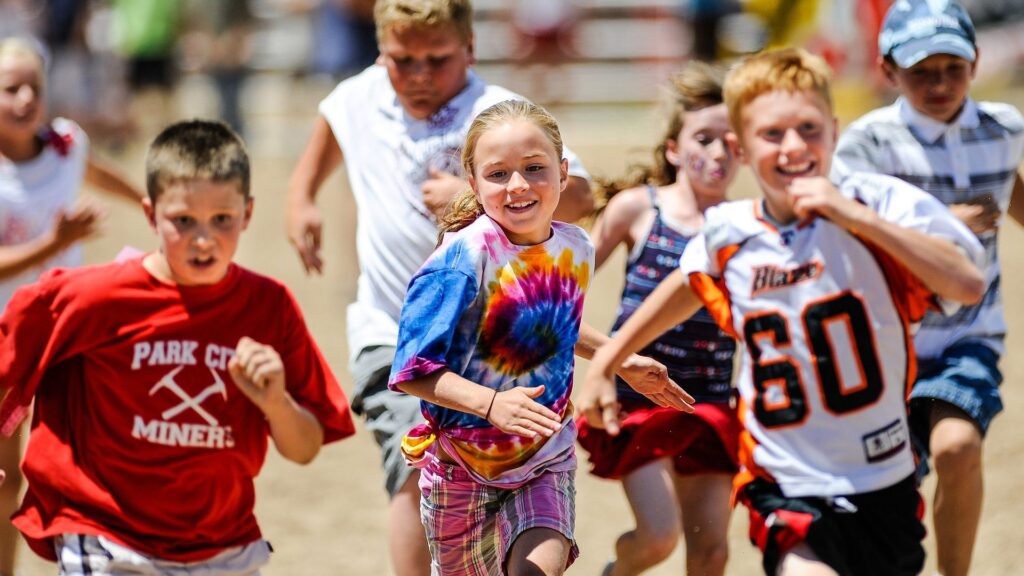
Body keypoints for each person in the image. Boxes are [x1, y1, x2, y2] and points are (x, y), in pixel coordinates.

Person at [581, 47, 987, 576]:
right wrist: (606, 360)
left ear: (835, 130)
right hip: (785, 480)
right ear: (742, 148)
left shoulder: (882, 202)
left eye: (809, 128)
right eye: (772, 134)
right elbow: (689, 282)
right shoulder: (731, 229)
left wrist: (853, 216)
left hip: (882, 476)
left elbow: (968, 282)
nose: (794, 146)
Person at [284, 1, 594, 574]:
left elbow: (580, 194)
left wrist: (473, 191)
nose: (421, 74)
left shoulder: (498, 113)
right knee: (412, 465)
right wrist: (302, 194)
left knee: (508, 486)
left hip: (492, 335)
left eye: (438, 59)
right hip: (389, 326)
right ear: (382, 54)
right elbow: (330, 125)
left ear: (469, 48)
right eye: (404, 61)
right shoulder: (360, 96)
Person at [0, 119, 356, 574]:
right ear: (150, 215)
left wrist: (276, 402)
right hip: (106, 535)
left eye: (221, 220)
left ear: (247, 213)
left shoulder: (269, 306)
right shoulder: (89, 298)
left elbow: (305, 449)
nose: (203, 238)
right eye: (183, 220)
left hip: (223, 544)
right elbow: (8, 363)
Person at [388, 98, 692, 576]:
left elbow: (552, 321)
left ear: (563, 172)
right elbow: (411, 372)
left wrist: (619, 359)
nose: (519, 186)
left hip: (544, 457)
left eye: (535, 168)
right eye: (498, 174)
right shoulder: (461, 259)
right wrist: (491, 403)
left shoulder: (575, 246)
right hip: (461, 467)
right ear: (472, 183)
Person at [830, 2, 1024, 574]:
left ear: (975, 62)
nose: (940, 84)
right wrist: (943, 222)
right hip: (886, 336)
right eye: (921, 71)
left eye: (953, 68)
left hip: (969, 331)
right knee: (893, 483)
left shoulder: (1005, 128)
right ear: (889, 71)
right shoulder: (867, 142)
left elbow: (1010, 193)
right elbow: (846, 227)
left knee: (958, 446)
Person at [576, 61, 739, 576]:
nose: (717, 152)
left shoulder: (746, 225)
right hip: (637, 400)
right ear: (674, 149)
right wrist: (603, 359)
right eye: (704, 138)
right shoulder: (636, 208)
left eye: (731, 141)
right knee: (659, 535)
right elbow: (561, 294)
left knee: (712, 553)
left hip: (709, 402)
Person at [0, 35, 144, 576]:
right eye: (10, 88)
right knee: (5, 475)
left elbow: (90, 169)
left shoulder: (66, 142)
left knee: (72, 464)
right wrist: (54, 244)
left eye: (32, 87)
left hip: (64, 332)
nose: (24, 99)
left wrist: (145, 199)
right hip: (5, 339)